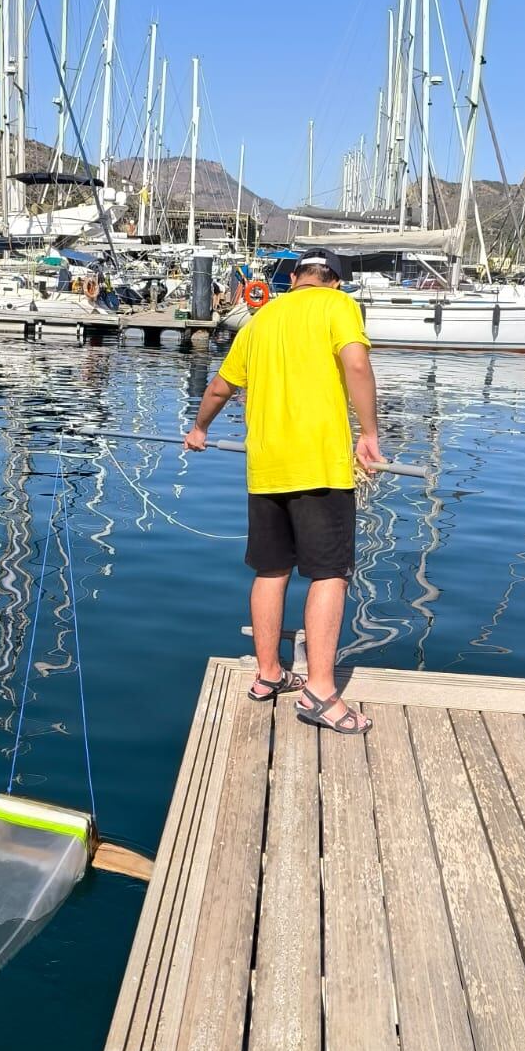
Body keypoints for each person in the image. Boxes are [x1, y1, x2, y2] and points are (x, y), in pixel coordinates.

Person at [184, 247, 383, 734]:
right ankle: (318, 690)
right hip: (319, 466)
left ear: (294, 277)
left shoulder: (261, 318)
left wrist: (200, 430)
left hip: (266, 467)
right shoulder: (339, 307)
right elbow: (355, 365)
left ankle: (269, 673)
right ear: (336, 281)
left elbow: (218, 387)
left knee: (272, 570)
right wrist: (370, 432)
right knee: (330, 573)